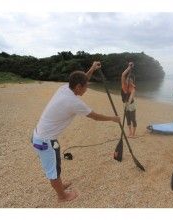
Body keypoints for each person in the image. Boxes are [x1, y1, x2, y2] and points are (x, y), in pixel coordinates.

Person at [31, 61, 120, 202]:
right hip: (44, 141)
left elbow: (83, 78)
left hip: (44, 136)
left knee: (56, 164)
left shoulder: (65, 88)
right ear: (78, 87)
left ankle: (60, 185)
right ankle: (62, 196)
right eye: (85, 87)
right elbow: (95, 117)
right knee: (53, 171)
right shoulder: (74, 102)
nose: (86, 90)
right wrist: (112, 118)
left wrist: (92, 68)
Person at [121, 62, 137, 138]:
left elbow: (131, 97)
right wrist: (129, 67)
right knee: (127, 118)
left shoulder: (133, 88)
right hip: (125, 103)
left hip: (131, 105)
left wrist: (128, 103)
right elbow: (123, 74)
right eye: (127, 79)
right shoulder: (124, 84)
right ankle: (130, 132)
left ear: (132, 81)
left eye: (130, 80)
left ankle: (133, 134)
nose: (128, 80)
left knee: (133, 119)